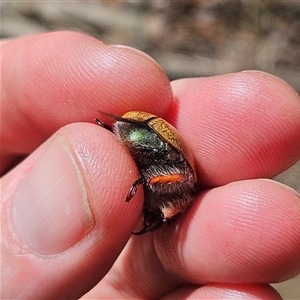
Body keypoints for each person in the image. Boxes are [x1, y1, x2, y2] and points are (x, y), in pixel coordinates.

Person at [1, 31, 300, 300]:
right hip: (154, 143)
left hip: (139, 134)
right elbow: (180, 182)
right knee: (173, 187)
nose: (160, 218)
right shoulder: (176, 192)